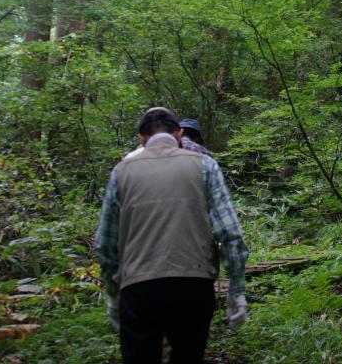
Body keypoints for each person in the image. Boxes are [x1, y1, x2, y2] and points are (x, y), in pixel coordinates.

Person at [95, 107, 249, 364]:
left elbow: (106, 244)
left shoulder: (121, 171)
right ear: (179, 134)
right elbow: (230, 233)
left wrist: (113, 295)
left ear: (142, 139)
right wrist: (236, 290)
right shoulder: (205, 166)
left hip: (138, 287)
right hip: (193, 285)